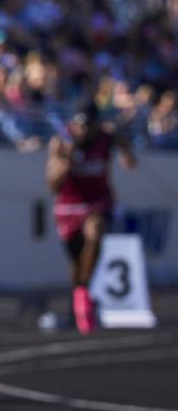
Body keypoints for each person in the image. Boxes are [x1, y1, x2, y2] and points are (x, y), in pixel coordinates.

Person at [46, 102, 137, 334]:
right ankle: (79, 302)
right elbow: (52, 186)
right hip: (68, 208)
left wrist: (126, 155)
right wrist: (68, 161)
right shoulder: (61, 142)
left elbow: (124, 147)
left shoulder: (106, 137)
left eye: (88, 125)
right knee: (76, 263)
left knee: (95, 233)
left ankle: (84, 294)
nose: (83, 130)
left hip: (97, 203)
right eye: (79, 125)